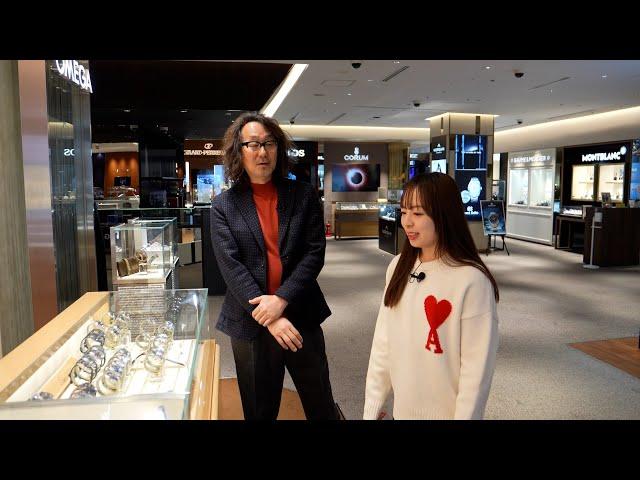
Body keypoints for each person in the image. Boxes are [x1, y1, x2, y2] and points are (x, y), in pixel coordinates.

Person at [210, 112, 340, 420]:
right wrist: (269, 317)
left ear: (278, 148)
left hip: (300, 314)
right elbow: (231, 266)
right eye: (252, 144)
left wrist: (280, 300)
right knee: (259, 409)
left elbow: (313, 253)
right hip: (251, 322)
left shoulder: (304, 194)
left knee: (320, 402)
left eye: (268, 143)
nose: (262, 152)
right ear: (238, 151)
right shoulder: (223, 205)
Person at [363, 172, 499, 420]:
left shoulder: (471, 281)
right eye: (404, 212)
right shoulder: (398, 267)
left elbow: (476, 372)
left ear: (444, 215)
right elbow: (383, 344)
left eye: (418, 213)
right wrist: (372, 407)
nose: (407, 222)